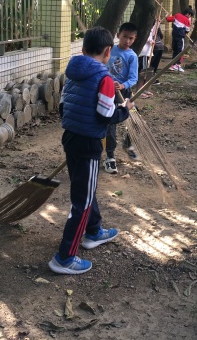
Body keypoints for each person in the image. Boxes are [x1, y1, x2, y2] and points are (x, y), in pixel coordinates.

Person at [49, 26, 134, 275]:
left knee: (86, 189)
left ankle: (94, 231)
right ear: (108, 51)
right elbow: (106, 115)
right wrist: (125, 109)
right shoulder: (103, 79)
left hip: (70, 138)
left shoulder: (72, 74)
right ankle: (65, 257)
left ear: (84, 50)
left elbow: (63, 107)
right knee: (82, 201)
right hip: (88, 144)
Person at [104, 22, 139, 173]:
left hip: (124, 93)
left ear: (135, 39)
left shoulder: (132, 56)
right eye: (125, 37)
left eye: (131, 38)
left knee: (135, 119)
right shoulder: (109, 50)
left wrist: (123, 85)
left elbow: (133, 78)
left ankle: (128, 143)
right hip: (107, 92)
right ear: (118, 35)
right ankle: (110, 156)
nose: (127, 41)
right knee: (110, 123)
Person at [166, 7, 193, 72]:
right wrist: (184, 33)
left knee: (175, 50)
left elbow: (168, 19)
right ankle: (178, 65)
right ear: (188, 14)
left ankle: (173, 65)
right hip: (180, 38)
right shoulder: (187, 20)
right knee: (180, 51)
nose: (190, 17)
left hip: (174, 36)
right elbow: (187, 30)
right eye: (190, 15)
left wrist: (167, 16)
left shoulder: (177, 15)